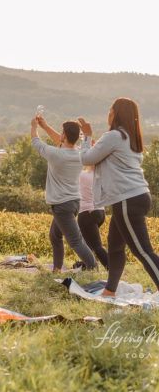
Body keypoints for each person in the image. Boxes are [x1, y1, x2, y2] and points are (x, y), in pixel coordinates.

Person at [79, 98, 159, 296]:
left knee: (142, 250)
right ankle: (110, 290)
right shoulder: (129, 137)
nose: (108, 114)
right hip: (134, 197)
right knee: (115, 247)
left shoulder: (114, 136)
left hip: (127, 200)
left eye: (110, 110)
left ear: (116, 114)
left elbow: (86, 158)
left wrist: (87, 137)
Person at [32, 116, 97, 271]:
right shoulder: (80, 154)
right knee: (55, 236)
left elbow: (35, 142)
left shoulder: (56, 154)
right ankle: (56, 269)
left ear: (64, 136)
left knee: (75, 241)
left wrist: (33, 126)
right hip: (73, 202)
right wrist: (45, 126)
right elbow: (83, 143)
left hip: (62, 205)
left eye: (62, 133)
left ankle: (93, 268)